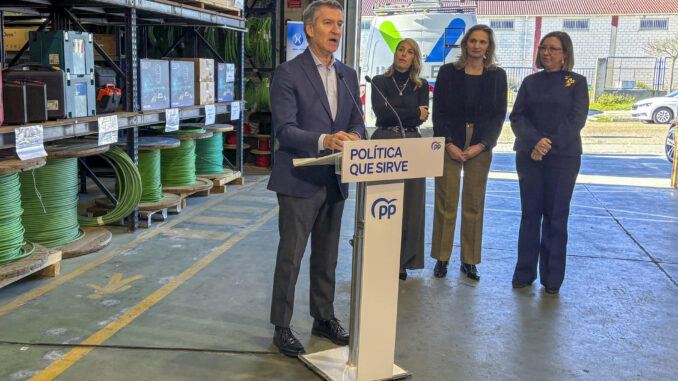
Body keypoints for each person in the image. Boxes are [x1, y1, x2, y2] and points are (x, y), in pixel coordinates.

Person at [267, 0, 365, 358]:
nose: (336, 30)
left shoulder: (348, 74)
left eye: (340, 23)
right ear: (309, 28)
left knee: (327, 257)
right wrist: (326, 140)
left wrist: (354, 135)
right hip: (299, 181)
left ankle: (324, 317)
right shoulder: (288, 73)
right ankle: (281, 325)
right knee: (291, 257)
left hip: (337, 178)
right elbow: (286, 130)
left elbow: (356, 119)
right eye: (328, 23)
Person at [510, 31, 588, 294]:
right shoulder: (530, 82)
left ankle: (552, 279)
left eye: (553, 49)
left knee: (556, 217)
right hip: (528, 156)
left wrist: (545, 146)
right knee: (530, 215)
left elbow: (575, 121)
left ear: (565, 53)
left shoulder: (576, 83)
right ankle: (524, 273)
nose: (547, 53)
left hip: (563, 158)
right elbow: (517, 117)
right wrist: (534, 143)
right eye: (543, 48)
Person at [430, 25, 507, 281]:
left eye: (482, 42)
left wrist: (483, 144)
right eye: (472, 41)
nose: (477, 46)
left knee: (473, 203)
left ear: (488, 47)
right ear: (465, 45)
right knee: (446, 200)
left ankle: (469, 261)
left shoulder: (497, 76)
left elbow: (498, 115)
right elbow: (438, 110)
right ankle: (442, 258)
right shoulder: (448, 72)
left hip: (481, 143)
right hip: (449, 141)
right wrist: (448, 142)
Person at [369, 38, 429, 281]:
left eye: (410, 51)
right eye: (401, 50)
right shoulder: (378, 81)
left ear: (415, 58)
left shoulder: (421, 85)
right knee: (380, 203)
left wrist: (409, 115)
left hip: (413, 145)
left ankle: (403, 261)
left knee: (410, 206)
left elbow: (422, 119)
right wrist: (414, 112)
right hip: (384, 141)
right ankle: (378, 256)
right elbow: (381, 112)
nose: (404, 54)